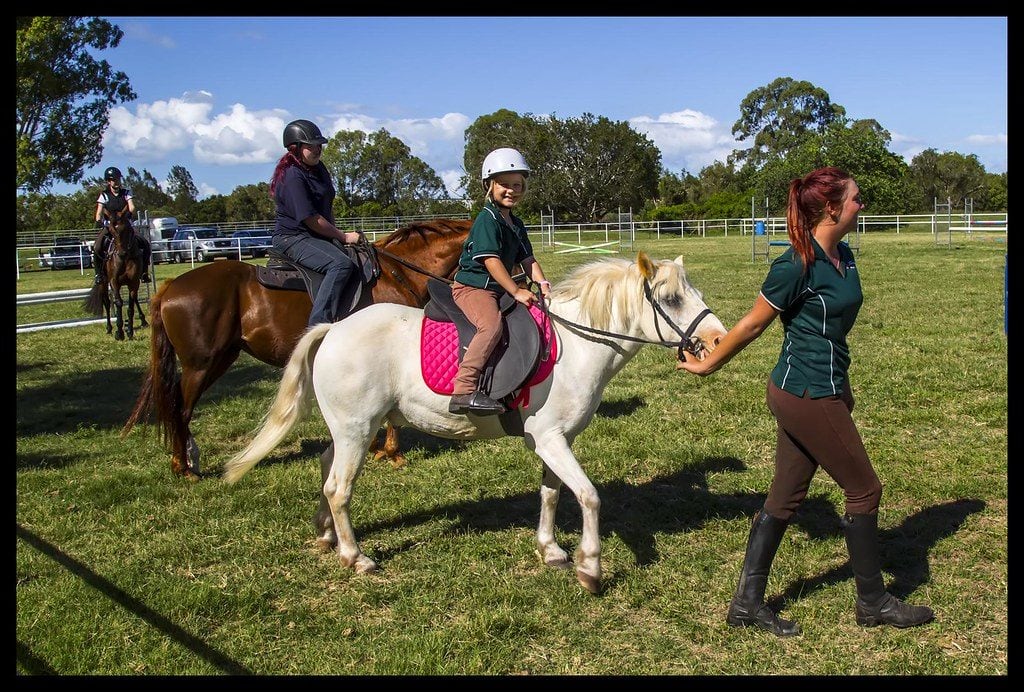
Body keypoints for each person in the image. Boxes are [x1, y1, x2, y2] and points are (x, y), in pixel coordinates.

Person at [677, 166, 934, 637]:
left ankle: (746, 604)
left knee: (785, 497)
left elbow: (835, 325)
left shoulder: (845, 255)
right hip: (805, 393)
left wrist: (841, 382)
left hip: (825, 388)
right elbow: (753, 325)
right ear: (833, 207)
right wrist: (708, 364)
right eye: (857, 197)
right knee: (865, 490)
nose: (863, 204)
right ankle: (873, 601)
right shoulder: (795, 263)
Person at [448, 147, 551, 416]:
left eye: (517, 185)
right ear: (489, 186)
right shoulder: (487, 219)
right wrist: (516, 290)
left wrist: (542, 283)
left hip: (496, 288)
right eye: (504, 184)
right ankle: (464, 389)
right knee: (491, 327)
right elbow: (491, 261)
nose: (511, 190)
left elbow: (528, 259)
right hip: (474, 288)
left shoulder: (515, 223)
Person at [269, 119, 363, 328]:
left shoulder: (318, 168)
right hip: (292, 237)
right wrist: (344, 236)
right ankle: (318, 326)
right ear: (296, 147)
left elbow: (326, 209)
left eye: (319, 145)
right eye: (311, 145)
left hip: (314, 235)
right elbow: (311, 219)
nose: (317, 149)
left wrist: (336, 236)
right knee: (340, 264)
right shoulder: (292, 175)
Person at [92, 166, 151, 284]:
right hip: (111, 226)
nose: (117, 182)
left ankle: (144, 272)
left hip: (125, 225)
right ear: (109, 181)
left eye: (118, 179)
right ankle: (99, 274)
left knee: (144, 243)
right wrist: (103, 222)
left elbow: (132, 206)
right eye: (114, 180)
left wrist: (128, 215)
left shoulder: (126, 192)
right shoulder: (104, 195)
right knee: (97, 247)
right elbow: (98, 213)